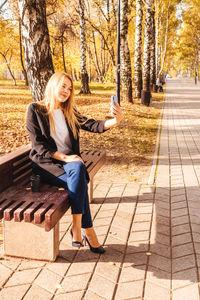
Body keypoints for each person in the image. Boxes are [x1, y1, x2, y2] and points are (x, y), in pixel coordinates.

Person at [26, 71, 123, 254]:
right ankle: (88, 231)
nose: (66, 91)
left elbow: (93, 125)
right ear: (53, 85)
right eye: (63, 86)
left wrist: (115, 121)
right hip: (47, 166)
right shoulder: (35, 110)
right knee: (79, 182)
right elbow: (39, 146)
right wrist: (66, 158)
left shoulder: (68, 111)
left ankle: (77, 226)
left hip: (71, 166)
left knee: (77, 171)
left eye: (69, 89)